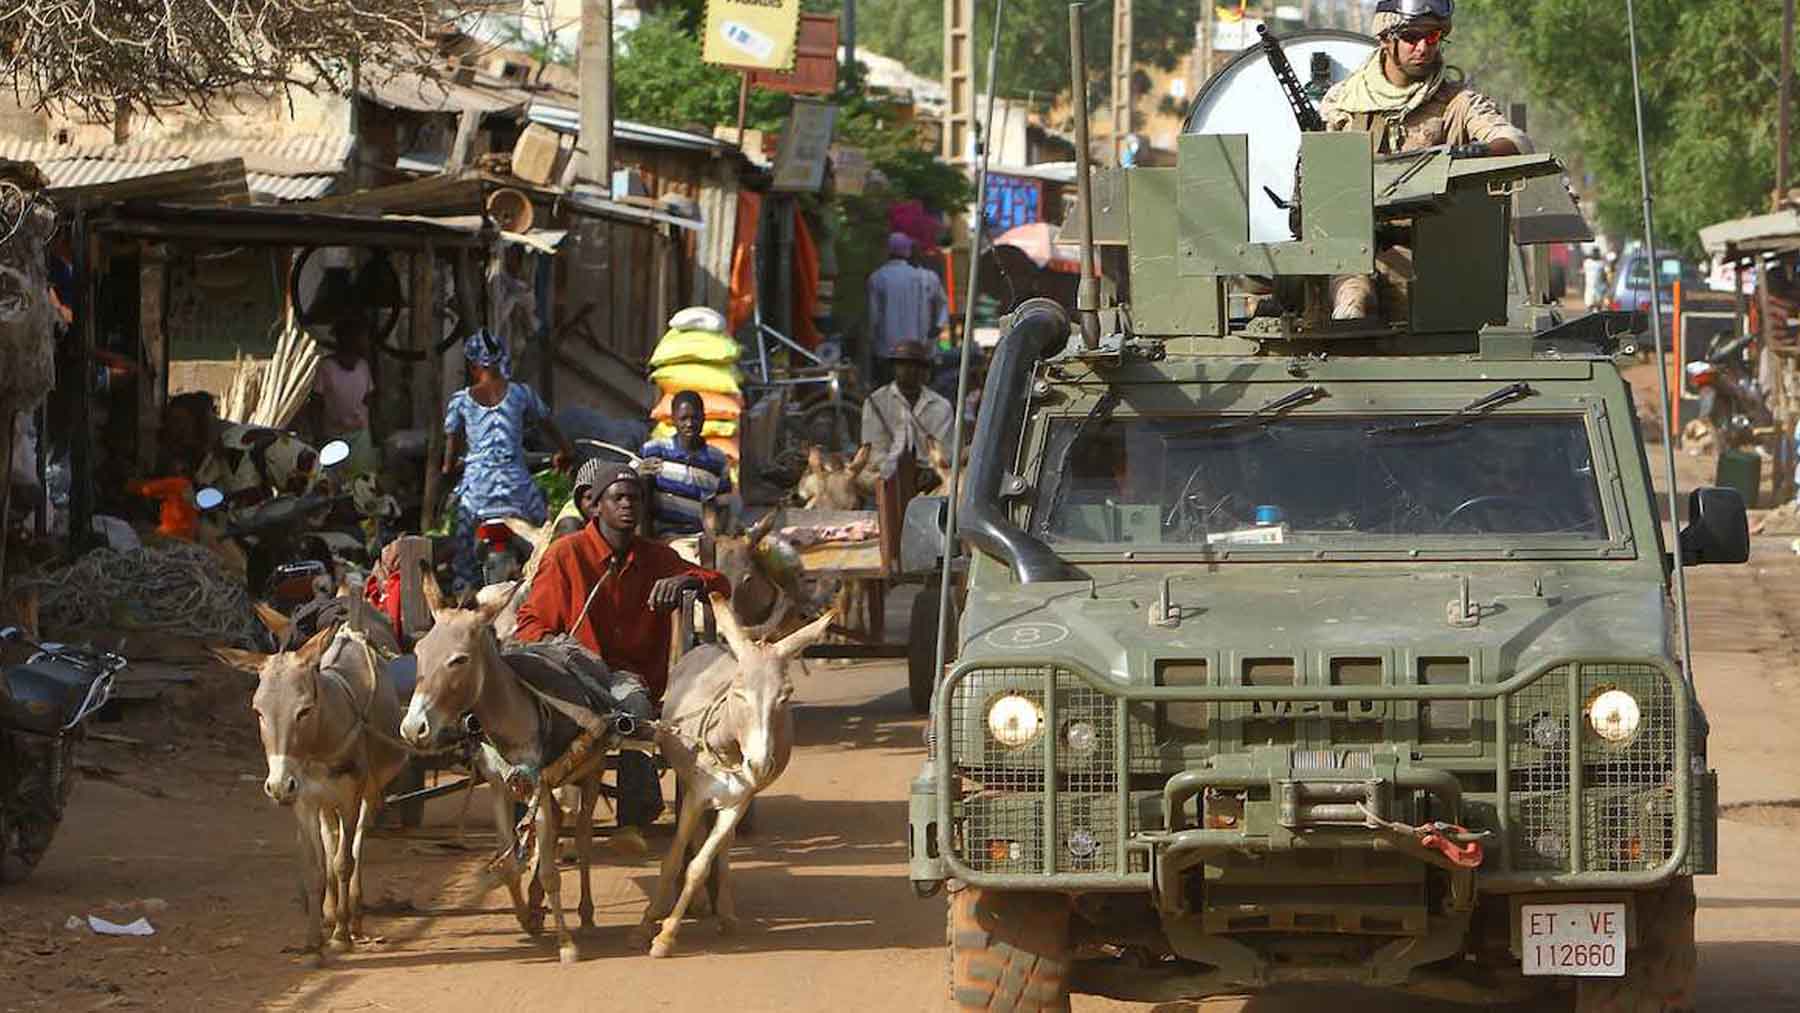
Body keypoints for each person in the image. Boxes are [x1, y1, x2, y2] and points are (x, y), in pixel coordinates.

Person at [514, 463, 730, 848]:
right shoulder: (566, 555)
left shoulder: (657, 558)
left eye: (635, 498)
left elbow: (720, 584)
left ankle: (631, 824)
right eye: (618, 498)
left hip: (626, 679)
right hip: (573, 673)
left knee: (634, 707)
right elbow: (531, 623)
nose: (628, 505)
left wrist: (686, 580)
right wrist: (558, 653)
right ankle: (534, 819)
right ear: (594, 506)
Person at [1319, 0, 1532, 319]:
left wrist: (1474, 153)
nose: (1423, 48)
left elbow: (1517, 142)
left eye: (1432, 38)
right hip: (1353, 254)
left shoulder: (1457, 103)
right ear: (1385, 39)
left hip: (1431, 262)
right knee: (1350, 304)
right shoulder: (1344, 103)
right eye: (1411, 37)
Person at [441, 329, 573, 595]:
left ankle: (463, 590)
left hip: (477, 490)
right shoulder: (521, 394)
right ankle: (550, 582)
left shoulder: (462, 402)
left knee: (463, 545)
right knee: (542, 533)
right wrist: (565, 450)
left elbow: (451, 451)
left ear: (473, 364)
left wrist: (448, 468)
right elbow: (549, 424)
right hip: (518, 488)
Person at [641, 389, 736, 556]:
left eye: (695, 418)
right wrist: (640, 473)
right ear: (673, 420)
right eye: (683, 418)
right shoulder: (655, 450)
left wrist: (716, 538)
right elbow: (629, 484)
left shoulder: (717, 460)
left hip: (699, 538)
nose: (689, 424)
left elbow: (723, 507)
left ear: (704, 418)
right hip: (663, 536)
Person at [859, 341, 956, 495]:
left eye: (915, 365)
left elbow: (947, 452)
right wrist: (898, 471)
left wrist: (929, 471)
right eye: (902, 364)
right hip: (887, 474)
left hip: (930, 477)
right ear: (894, 368)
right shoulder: (875, 402)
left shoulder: (941, 406)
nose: (909, 370)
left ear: (923, 369)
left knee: (953, 485)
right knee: (862, 478)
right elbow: (874, 451)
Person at [867, 233, 948, 388]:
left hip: (887, 351)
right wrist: (938, 326)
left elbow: (874, 317)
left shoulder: (878, 278)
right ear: (908, 251)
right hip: (918, 349)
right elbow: (943, 304)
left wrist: (873, 343)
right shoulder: (925, 277)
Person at [311, 314, 378, 475]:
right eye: (356, 338)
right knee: (335, 485)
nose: (361, 342)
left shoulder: (363, 366)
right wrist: (318, 436)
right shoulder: (326, 367)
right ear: (343, 339)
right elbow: (316, 404)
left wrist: (375, 432)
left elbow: (369, 400)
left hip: (360, 437)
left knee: (361, 484)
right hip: (333, 436)